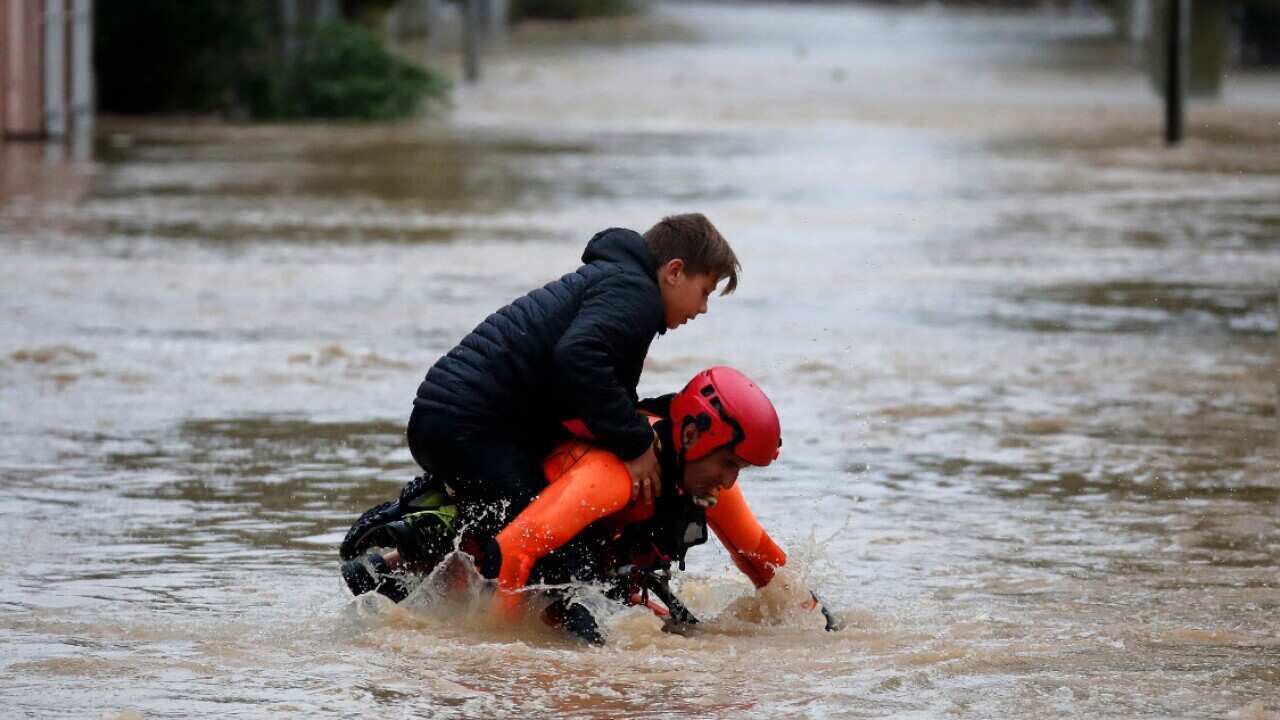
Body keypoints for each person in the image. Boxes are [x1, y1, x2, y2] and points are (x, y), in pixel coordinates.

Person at [340, 366, 839, 644]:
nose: (731, 480)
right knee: (592, 629)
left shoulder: (705, 481)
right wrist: (502, 650)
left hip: (577, 566)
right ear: (690, 435)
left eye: (741, 471)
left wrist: (824, 626)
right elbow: (512, 552)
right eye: (729, 463)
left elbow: (763, 561)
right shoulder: (611, 478)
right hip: (500, 554)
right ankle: (397, 559)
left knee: (677, 634)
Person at [408, 214, 739, 538]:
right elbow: (579, 357)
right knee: (551, 544)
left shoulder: (622, 283)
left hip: (451, 421)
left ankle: (394, 563)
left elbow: (598, 388)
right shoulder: (635, 293)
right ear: (675, 271)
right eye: (705, 291)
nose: (702, 309)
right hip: (467, 426)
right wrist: (636, 444)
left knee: (515, 531)